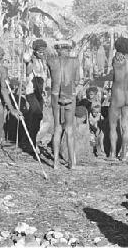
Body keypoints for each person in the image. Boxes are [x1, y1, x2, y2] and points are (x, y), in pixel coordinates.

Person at [47, 41, 82, 169]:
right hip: (70, 95)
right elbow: (77, 80)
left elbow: (50, 78)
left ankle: (56, 162)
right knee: (69, 129)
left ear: (57, 50)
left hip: (56, 95)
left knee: (57, 128)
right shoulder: (75, 61)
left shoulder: (51, 61)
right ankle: (71, 162)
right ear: (68, 49)